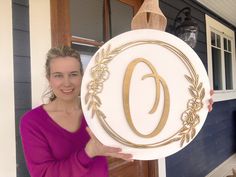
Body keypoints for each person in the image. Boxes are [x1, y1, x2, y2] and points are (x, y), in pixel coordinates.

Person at [20, 46, 214, 177]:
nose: (67, 83)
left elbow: (143, 105)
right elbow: (44, 174)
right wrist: (87, 153)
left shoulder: (98, 108)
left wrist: (196, 102)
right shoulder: (32, 122)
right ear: (48, 78)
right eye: (58, 76)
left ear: (82, 76)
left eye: (73, 74)